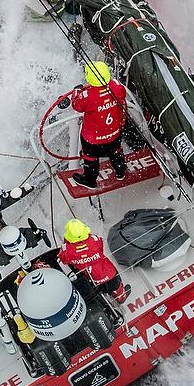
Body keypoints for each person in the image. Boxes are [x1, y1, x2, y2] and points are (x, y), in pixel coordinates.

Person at [69, 61, 127, 189]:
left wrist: (77, 90)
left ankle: (90, 180)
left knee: (90, 158)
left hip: (93, 140)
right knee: (116, 151)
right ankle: (120, 171)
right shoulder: (117, 87)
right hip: (114, 134)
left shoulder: (87, 96)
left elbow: (76, 105)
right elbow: (122, 94)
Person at [58, 219, 130, 303]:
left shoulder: (67, 250)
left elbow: (63, 259)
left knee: (99, 289)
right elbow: (100, 244)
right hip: (110, 274)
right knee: (117, 287)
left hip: (93, 280)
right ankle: (121, 297)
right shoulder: (94, 240)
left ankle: (105, 299)